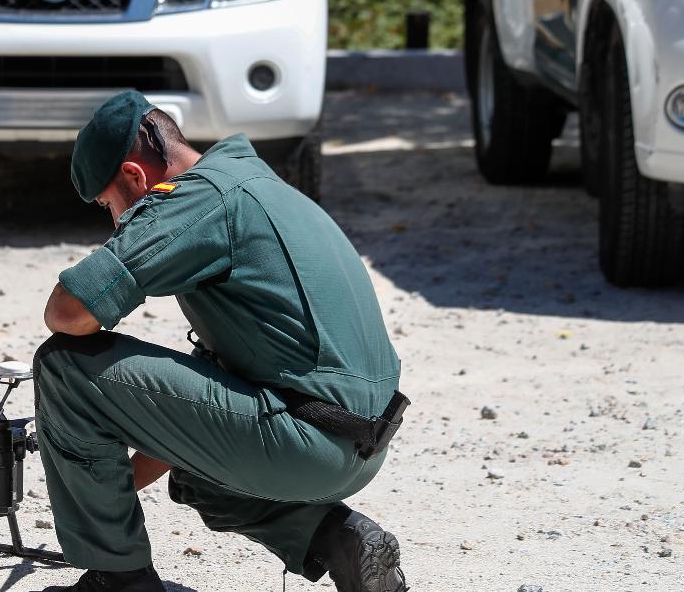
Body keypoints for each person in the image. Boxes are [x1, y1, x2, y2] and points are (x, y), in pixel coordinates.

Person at [33, 91, 409, 592]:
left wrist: (89, 485)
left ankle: (119, 581)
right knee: (196, 478)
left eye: (109, 205)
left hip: (304, 442)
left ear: (134, 176)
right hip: (358, 445)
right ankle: (340, 540)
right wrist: (94, 485)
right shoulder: (256, 184)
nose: (114, 219)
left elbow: (67, 313)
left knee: (66, 367)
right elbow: (188, 420)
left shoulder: (199, 200)